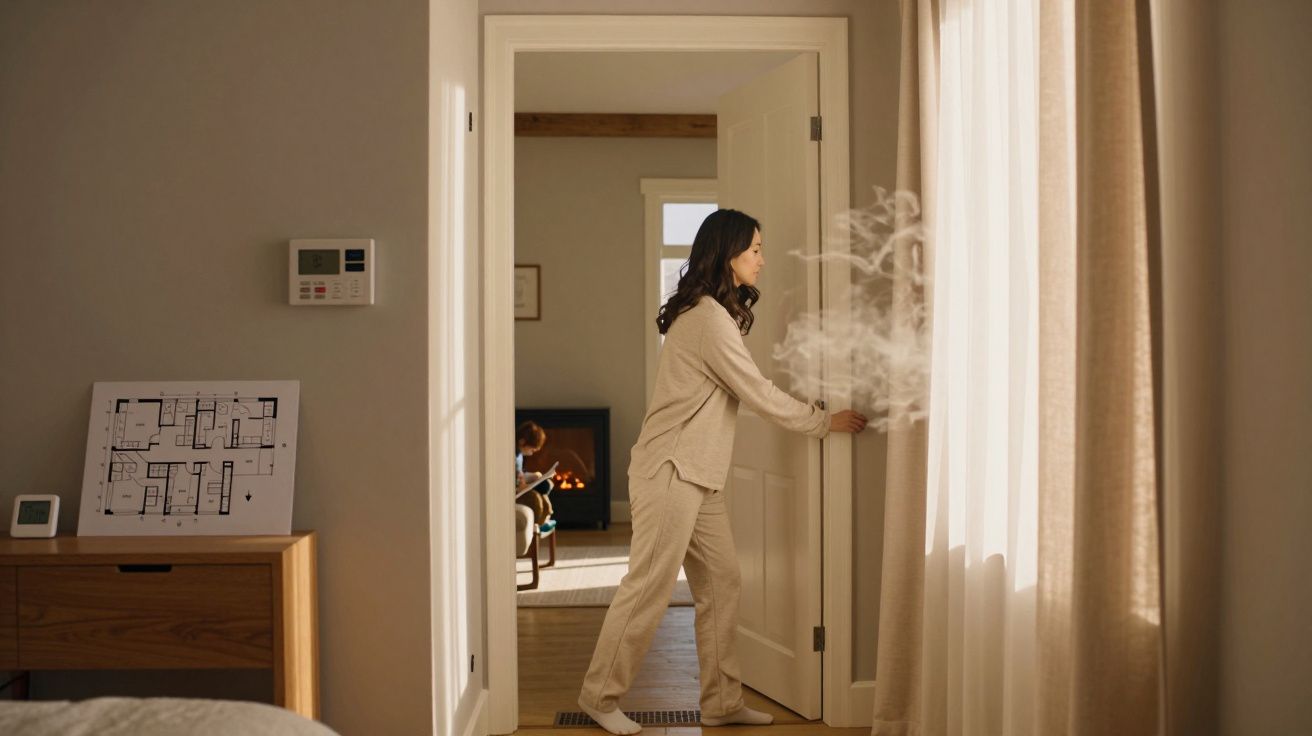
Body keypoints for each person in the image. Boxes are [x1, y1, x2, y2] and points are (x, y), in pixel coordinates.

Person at [576, 209, 868, 734]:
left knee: (722, 581)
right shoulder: (709, 318)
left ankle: (721, 701)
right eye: (754, 248)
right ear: (728, 252)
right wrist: (825, 422)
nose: (761, 258)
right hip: (670, 469)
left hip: (697, 474)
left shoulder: (715, 313)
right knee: (648, 586)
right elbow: (756, 391)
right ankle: (599, 695)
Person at [516, 420, 554, 527]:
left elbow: (520, 474)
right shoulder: (513, 455)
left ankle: (547, 513)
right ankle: (541, 518)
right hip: (518, 489)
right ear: (522, 442)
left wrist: (533, 476)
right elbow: (516, 480)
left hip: (521, 483)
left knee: (546, 484)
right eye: (532, 449)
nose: (533, 452)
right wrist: (523, 485)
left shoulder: (519, 455)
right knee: (542, 489)